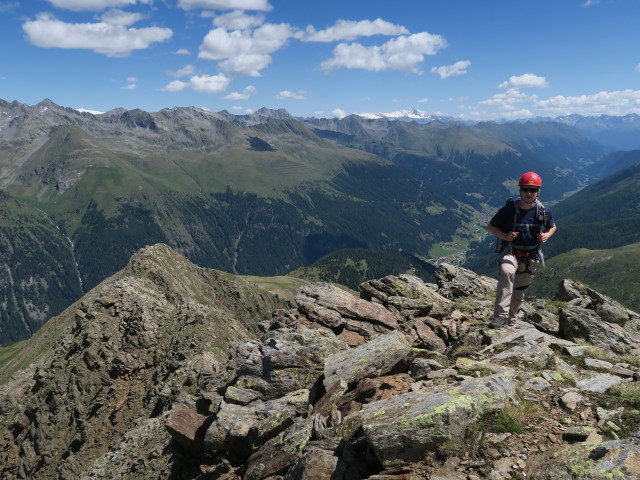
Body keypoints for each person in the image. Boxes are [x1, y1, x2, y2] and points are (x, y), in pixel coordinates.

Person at [486, 172, 556, 328]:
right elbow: (491, 227)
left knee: (518, 292)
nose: (529, 193)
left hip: (531, 257)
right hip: (511, 251)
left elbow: (552, 227)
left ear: (538, 191)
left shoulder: (544, 211)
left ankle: (511, 322)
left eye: (532, 190)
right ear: (520, 190)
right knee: (507, 272)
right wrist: (505, 236)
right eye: (525, 189)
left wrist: (546, 235)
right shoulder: (509, 210)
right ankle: (500, 317)